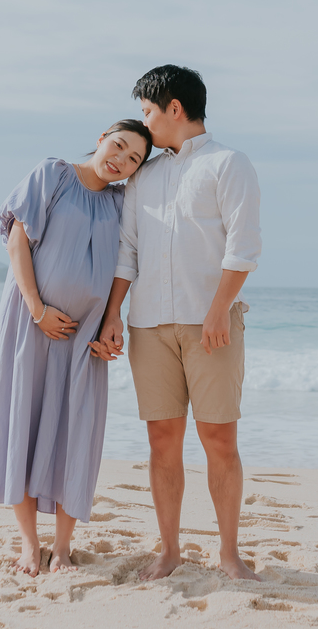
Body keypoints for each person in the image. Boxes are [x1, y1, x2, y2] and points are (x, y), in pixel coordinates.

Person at [0, 119, 153, 577]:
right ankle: (29, 546)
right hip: (28, 323)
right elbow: (18, 241)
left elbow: (126, 265)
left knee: (74, 432)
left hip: (84, 336)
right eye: (118, 146)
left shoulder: (122, 204)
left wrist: (110, 323)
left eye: (133, 159)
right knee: (20, 424)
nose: (120, 160)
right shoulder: (54, 175)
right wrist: (37, 309)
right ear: (102, 137)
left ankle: (62, 547)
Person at [90, 65, 262, 581]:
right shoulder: (147, 174)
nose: (145, 123)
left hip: (212, 325)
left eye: (147, 111)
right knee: (162, 441)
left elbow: (244, 246)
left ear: (174, 109)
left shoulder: (229, 164)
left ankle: (228, 552)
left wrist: (217, 312)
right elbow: (128, 251)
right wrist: (114, 314)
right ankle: (170, 550)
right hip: (149, 326)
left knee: (219, 440)